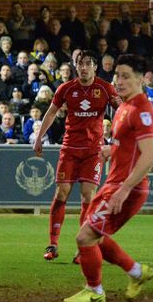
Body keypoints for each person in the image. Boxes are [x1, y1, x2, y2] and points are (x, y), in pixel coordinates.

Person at [63, 54, 153, 302]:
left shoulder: (142, 110)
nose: (119, 81)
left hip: (127, 188)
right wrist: (111, 150)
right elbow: (128, 146)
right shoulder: (123, 107)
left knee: (85, 237)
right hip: (113, 184)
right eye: (117, 76)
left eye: (126, 76)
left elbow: (150, 156)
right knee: (96, 236)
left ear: (140, 79)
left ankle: (95, 291)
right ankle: (137, 272)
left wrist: (124, 190)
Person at [35, 51, 119, 262]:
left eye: (88, 64)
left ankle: (83, 248)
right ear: (76, 66)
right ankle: (53, 244)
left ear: (95, 67)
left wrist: (117, 139)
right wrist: (39, 137)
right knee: (61, 192)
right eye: (80, 64)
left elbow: (122, 111)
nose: (84, 67)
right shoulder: (66, 88)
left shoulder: (105, 88)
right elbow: (51, 112)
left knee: (87, 196)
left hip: (93, 151)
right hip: (70, 148)